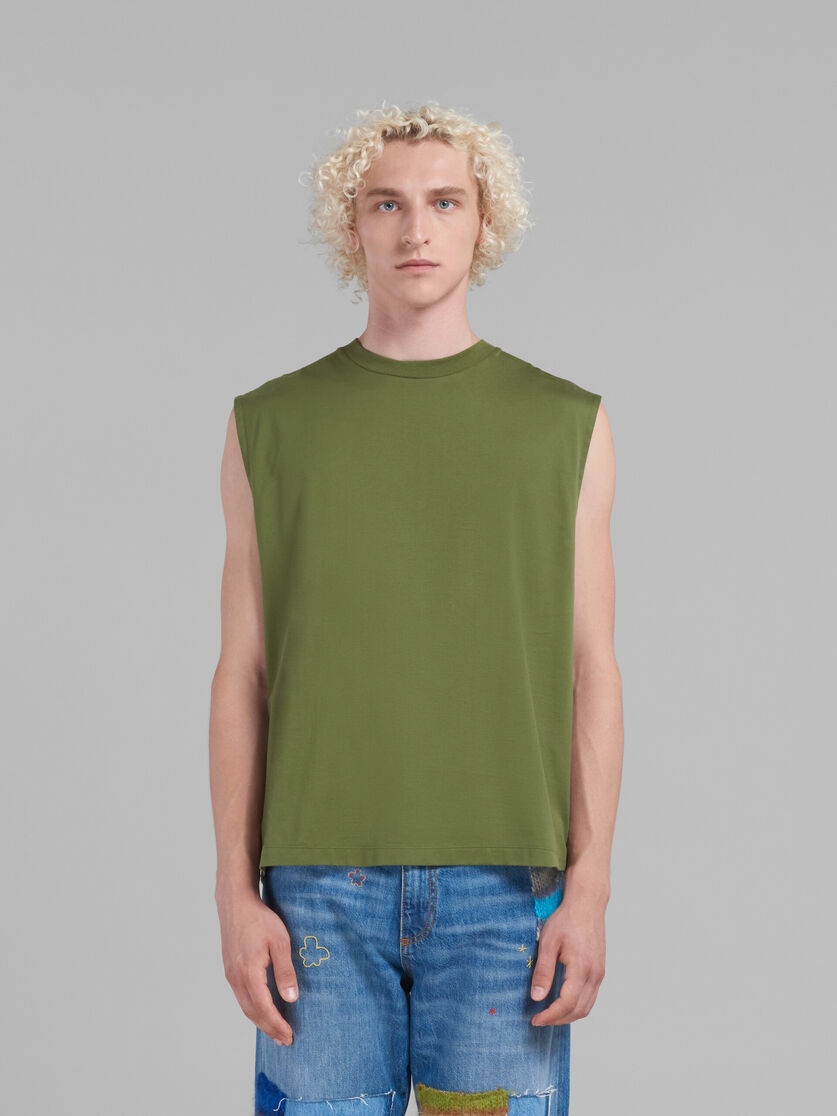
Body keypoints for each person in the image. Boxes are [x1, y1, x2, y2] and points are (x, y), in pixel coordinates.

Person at [209, 101, 623, 1116]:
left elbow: (591, 669)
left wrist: (591, 886)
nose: (415, 229)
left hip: (506, 898)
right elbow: (243, 671)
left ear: (485, 222)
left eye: (445, 201)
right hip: (316, 892)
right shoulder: (271, 424)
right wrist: (233, 888)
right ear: (351, 227)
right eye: (386, 204)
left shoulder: (564, 425)